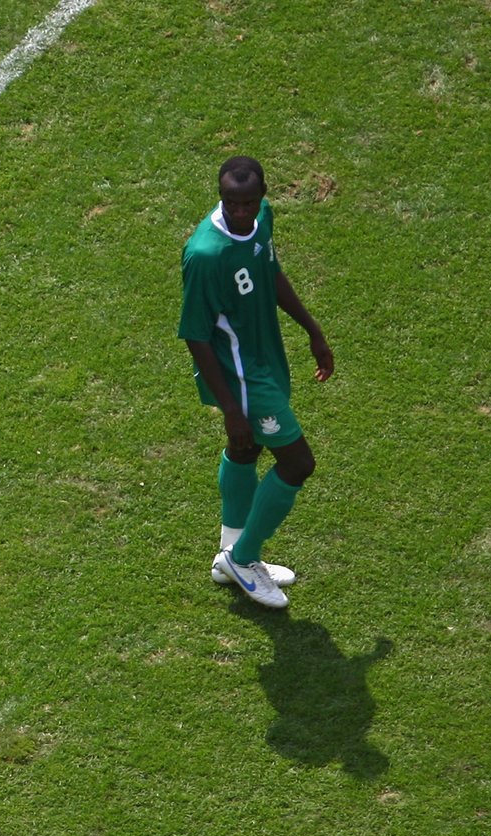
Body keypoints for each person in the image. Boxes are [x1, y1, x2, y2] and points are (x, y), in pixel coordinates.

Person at [178, 156, 335, 609]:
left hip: (266, 359)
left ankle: (228, 554)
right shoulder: (206, 255)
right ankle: (244, 559)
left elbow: (270, 274)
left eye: (248, 203)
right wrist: (230, 408)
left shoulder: (262, 219)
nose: (240, 211)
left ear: (262, 198)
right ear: (220, 196)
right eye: (231, 202)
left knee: (247, 451)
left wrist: (312, 329)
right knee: (298, 462)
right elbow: (196, 334)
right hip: (241, 376)